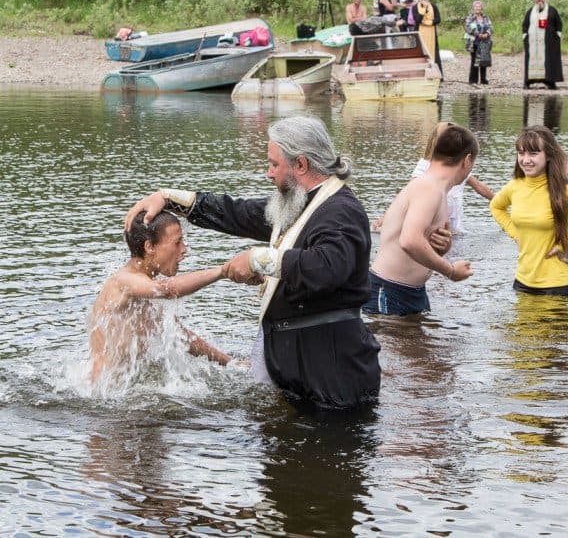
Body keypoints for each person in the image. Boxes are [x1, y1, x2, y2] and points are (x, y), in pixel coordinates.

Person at [124, 116, 381, 410]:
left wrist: (258, 259)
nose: (268, 173)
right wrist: (168, 199)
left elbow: (329, 267)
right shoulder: (299, 202)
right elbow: (238, 212)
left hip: (331, 374)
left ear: (300, 165)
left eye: (274, 164)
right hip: (306, 362)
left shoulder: (341, 210)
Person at [90, 211, 231, 384]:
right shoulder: (124, 280)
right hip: (103, 396)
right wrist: (224, 271)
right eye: (177, 243)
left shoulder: (142, 290)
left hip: (119, 391)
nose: (184, 249)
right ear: (149, 247)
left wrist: (231, 363)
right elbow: (167, 289)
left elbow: (184, 337)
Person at [363, 124, 478, 316]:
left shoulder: (435, 188)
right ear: (467, 161)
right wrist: (450, 271)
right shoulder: (429, 188)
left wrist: (442, 248)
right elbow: (409, 240)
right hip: (390, 290)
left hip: (409, 290)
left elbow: (415, 242)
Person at [490, 126, 568, 296]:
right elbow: (496, 207)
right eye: (521, 153)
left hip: (557, 287)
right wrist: (515, 234)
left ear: (548, 155)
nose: (526, 160)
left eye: (533, 154)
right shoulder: (514, 186)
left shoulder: (565, 191)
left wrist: (567, 243)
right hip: (522, 283)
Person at [373, 121, 494, 235]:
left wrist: (499, 201)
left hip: (456, 229)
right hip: (435, 229)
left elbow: (479, 186)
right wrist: (387, 217)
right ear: (436, 142)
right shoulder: (425, 165)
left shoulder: (460, 166)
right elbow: (407, 193)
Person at [522, 0, 563, 90]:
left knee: (549, 62)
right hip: (533, 44)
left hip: (548, 44)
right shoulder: (530, 12)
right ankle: (528, 82)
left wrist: (557, 36)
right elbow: (525, 25)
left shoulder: (552, 10)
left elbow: (559, 24)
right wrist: (525, 36)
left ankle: (550, 82)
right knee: (531, 63)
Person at [414, 0, 443, 76]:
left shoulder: (433, 6)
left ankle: (437, 75)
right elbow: (417, 20)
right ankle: (421, 74)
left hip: (431, 33)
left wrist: (428, 22)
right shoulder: (415, 7)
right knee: (421, 52)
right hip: (420, 32)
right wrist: (423, 9)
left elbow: (438, 19)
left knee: (434, 53)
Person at [464, 0, 493, 85]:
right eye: (476, 6)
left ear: (481, 8)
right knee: (474, 61)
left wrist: (487, 33)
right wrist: (478, 34)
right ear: (473, 8)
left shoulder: (485, 17)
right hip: (474, 42)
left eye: (479, 6)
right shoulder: (470, 17)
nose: (477, 8)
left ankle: (483, 79)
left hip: (485, 41)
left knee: (484, 60)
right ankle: (473, 80)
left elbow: (491, 27)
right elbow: (467, 27)